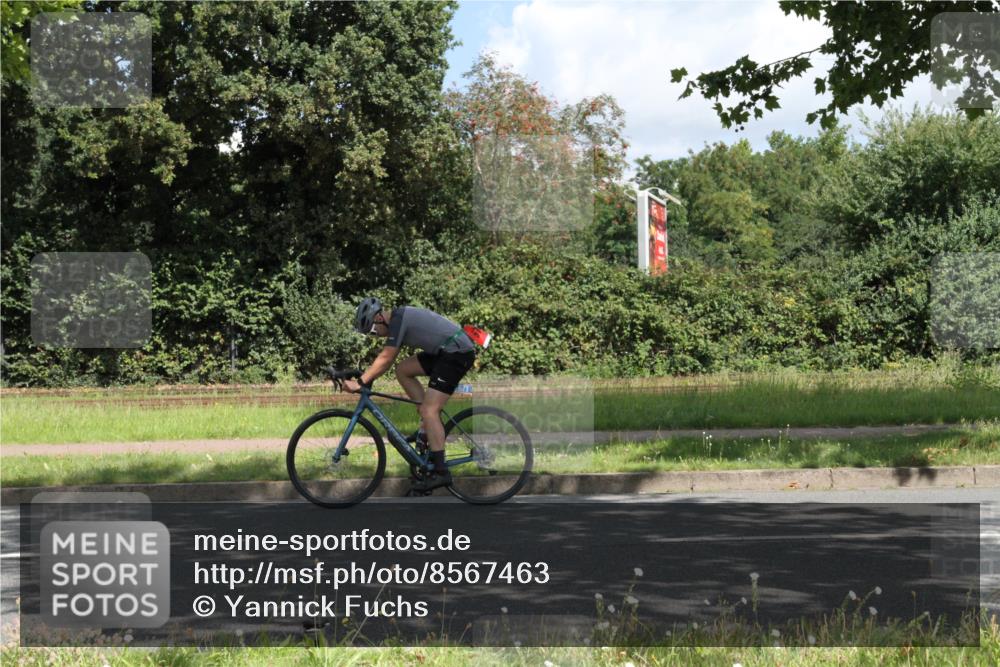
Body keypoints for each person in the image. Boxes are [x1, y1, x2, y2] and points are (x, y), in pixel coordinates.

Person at [343, 297, 477, 491]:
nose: (375, 336)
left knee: (430, 411)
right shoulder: (397, 319)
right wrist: (363, 377)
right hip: (443, 351)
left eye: (372, 331)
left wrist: (359, 383)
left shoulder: (398, 320)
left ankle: (441, 473)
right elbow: (386, 361)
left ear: (379, 318)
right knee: (403, 369)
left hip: (457, 352)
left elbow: (386, 357)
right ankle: (426, 429)